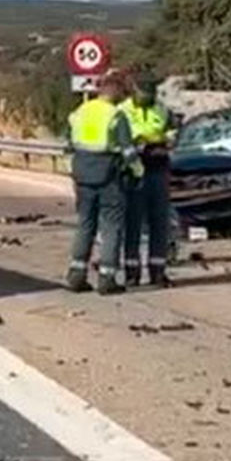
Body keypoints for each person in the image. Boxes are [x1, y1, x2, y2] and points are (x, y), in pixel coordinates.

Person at [65, 73, 143, 295]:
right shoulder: (116, 116)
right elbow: (128, 152)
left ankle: (76, 275)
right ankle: (107, 278)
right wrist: (139, 173)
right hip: (109, 177)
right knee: (111, 226)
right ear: (116, 90)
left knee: (85, 224)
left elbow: (70, 143)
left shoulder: (80, 112)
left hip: (82, 176)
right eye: (123, 92)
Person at [119, 72, 174, 288]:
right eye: (144, 92)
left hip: (158, 169)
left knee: (159, 224)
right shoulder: (123, 111)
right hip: (134, 172)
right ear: (134, 90)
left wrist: (164, 139)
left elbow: (171, 132)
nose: (149, 96)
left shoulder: (161, 109)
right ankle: (132, 273)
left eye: (152, 93)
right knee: (133, 224)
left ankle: (157, 272)